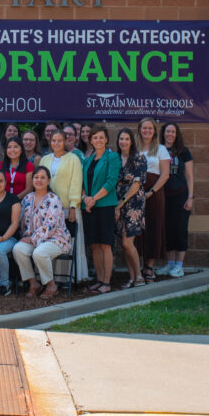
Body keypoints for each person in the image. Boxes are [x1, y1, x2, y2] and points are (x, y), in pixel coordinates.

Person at [13, 167, 71, 300]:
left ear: (49, 180)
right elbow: (20, 221)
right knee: (18, 249)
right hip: (32, 240)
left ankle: (51, 286)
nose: (39, 180)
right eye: (36, 177)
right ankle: (33, 283)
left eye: (42, 177)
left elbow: (51, 226)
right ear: (32, 179)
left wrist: (32, 239)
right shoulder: (27, 198)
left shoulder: (53, 199)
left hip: (55, 240)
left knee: (39, 252)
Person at [39, 130, 88, 283]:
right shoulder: (45, 159)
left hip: (67, 207)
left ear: (65, 141)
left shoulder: (72, 159)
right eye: (54, 140)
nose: (56, 143)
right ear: (50, 142)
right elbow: (40, 182)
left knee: (67, 241)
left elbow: (76, 182)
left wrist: (73, 205)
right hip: (48, 209)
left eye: (60, 140)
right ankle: (49, 277)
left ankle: (70, 277)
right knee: (49, 241)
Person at [81, 125, 120, 294]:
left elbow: (111, 182)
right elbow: (82, 184)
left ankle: (106, 281)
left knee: (105, 244)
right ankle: (99, 279)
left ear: (106, 140)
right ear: (91, 140)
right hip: (89, 207)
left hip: (104, 206)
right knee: (94, 245)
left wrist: (93, 199)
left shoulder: (112, 157)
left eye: (101, 137)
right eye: (95, 137)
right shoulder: (87, 160)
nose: (98, 140)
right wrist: (85, 199)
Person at [157, 122, 194, 279]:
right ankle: (170, 264)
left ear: (176, 134)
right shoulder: (158, 150)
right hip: (164, 196)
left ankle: (179, 266)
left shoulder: (184, 152)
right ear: (163, 134)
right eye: (167, 131)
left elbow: (189, 176)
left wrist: (190, 197)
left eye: (172, 132)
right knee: (167, 231)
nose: (170, 134)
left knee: (180, 230)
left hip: (180, 196)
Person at [137, 117, 170, 282]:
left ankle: (149, 267)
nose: (147, 131)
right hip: (135, 193)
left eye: (150, 128)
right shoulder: (135, 149)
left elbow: (165, 174)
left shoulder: (161, 149)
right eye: (144, 128)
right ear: (140, 130)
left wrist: (151, 192)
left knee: (153, 227)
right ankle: (137, 267)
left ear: (154, 131)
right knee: (137, 230)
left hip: (154, 193)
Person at [114, 128, 146, 287]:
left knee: (127, 242)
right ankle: (132, 278)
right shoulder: (115, 158)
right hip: (118, 202)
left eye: (127, 139)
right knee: (123, 242)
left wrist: (121, 203)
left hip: (133, 203)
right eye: (121, 139)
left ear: (131, 141)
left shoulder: (139, 158)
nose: (124, 142)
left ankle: (139, 276)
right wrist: (116, 204)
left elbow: (137, 184)